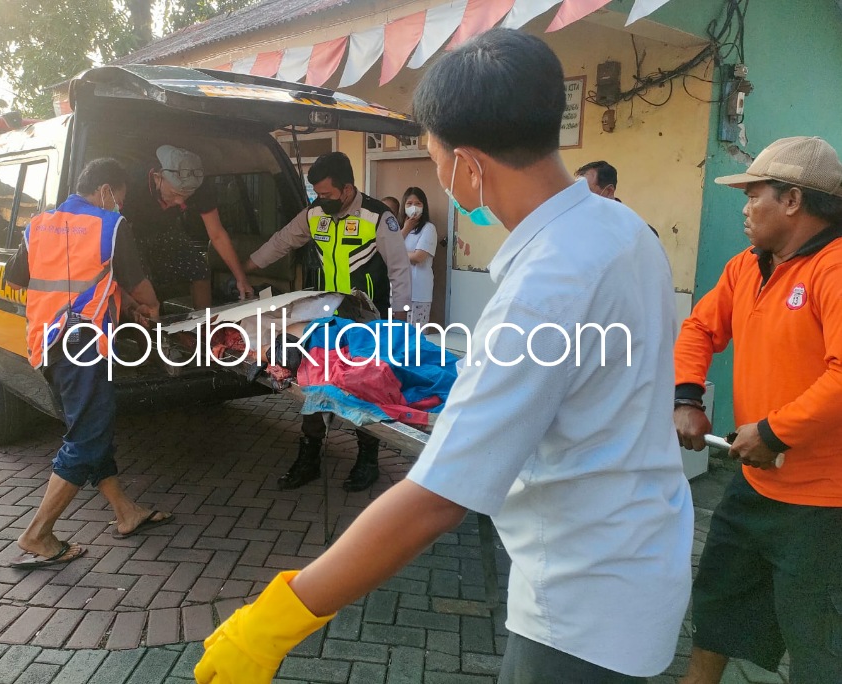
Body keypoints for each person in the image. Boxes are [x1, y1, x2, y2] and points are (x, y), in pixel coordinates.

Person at [196, 29, 692, 684]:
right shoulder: (623, 229)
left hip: (582, 606)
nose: (438, 178)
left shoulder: (545, 285)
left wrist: (273, 622)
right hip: (640, 551)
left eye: (434, 159)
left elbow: (438, 495)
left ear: (468, 166)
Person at [673, 136, 842, 684]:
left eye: (753, 195)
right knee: (718, 605)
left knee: (819, 643)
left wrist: (773, 432)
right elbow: (700, 328)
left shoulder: (834, 269)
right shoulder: (747, 267)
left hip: (824, 503)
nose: (745, 208)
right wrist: (687, 397)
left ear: (792, 200)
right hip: (754, 484)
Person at [4, 158, 172, 568]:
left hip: (47, 342)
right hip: (83, 344)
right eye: (120, 198)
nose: (119, 206)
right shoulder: (109, 224)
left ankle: (126, 513)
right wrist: (149, 305)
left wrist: (118, 302)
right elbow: (137, 283)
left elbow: (18, 278)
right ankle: (37, 534)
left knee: (92, 428)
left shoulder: (39, 224)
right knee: (87, 437)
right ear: (106, 190)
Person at [243, 151, 412, 493]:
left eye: (327, 193)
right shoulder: (315, 214)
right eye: (317, 194)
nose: (321, 200)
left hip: (368, 319)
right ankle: (309, 458)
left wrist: (399, 322)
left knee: (364, 387)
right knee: (313, 381)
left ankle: (367, 460)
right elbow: (282, 241)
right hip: (326, 316)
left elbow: (400, 270)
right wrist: (246, 267)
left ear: (347, 188)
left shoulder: (378, 217)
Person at [122, 145, 253, 309]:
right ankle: (149, 324)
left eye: (186, 196)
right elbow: (120, 233)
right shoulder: (132, 184)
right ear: (157, 178)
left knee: (200, 269)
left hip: (166, 231)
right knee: (141, 281)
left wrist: (241, 279)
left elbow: (217, 234)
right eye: (174, 193)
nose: (180, 202)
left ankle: (203, 323)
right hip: (131, 235)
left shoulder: (200, 187)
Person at [576, 160, 659, 236]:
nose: (579, 198)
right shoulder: (578, 226)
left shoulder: (640, 233)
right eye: (577, 191)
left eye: (586, 191)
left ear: (609, 191)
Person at [399, 186, 439, 326]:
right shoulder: (398, 228)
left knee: (415, 334)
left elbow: (418, 257)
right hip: (397, 290)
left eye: (418, 203)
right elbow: (388, 250)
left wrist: (397, 254)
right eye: (409, 203)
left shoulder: (428, 228)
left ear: (424, 206)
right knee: (396, 334)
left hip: (418, 291)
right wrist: (406, 229)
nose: (414, 207)